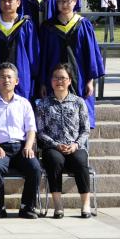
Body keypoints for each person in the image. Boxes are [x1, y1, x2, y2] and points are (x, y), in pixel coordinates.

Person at [0, 62, 42, 219]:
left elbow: (31, 129)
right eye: (2, 77)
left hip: (21, 148)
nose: (6, 80)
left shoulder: (24, 103)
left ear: (16, 81)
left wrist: (28, 146)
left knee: (35, 168)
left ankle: (27, 207)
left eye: (9, 77)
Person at [38, 0, 105, 126]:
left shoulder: (83, 24)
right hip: (53, 78)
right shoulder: (48, 27)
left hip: (79, 77)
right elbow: (43, 57)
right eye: (60, 1)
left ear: (75, 1)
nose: (64, 4)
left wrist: (90, 81)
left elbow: (91, 54)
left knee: (80, 118)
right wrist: (43, 82)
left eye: (68, 1)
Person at [36, 63, 94, 218]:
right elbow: (40, 131)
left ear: (69, 81)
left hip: (75, 146)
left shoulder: (79, 102)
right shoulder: (43, 104)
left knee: (81, 161)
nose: (59, 81)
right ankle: (58, 205)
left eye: (62, 78)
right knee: (54, 160)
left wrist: (76, 144)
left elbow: (85, 129)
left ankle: (86, 204)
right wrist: (56, 145)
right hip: (53, 147)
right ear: (51, 81)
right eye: (55, 78)